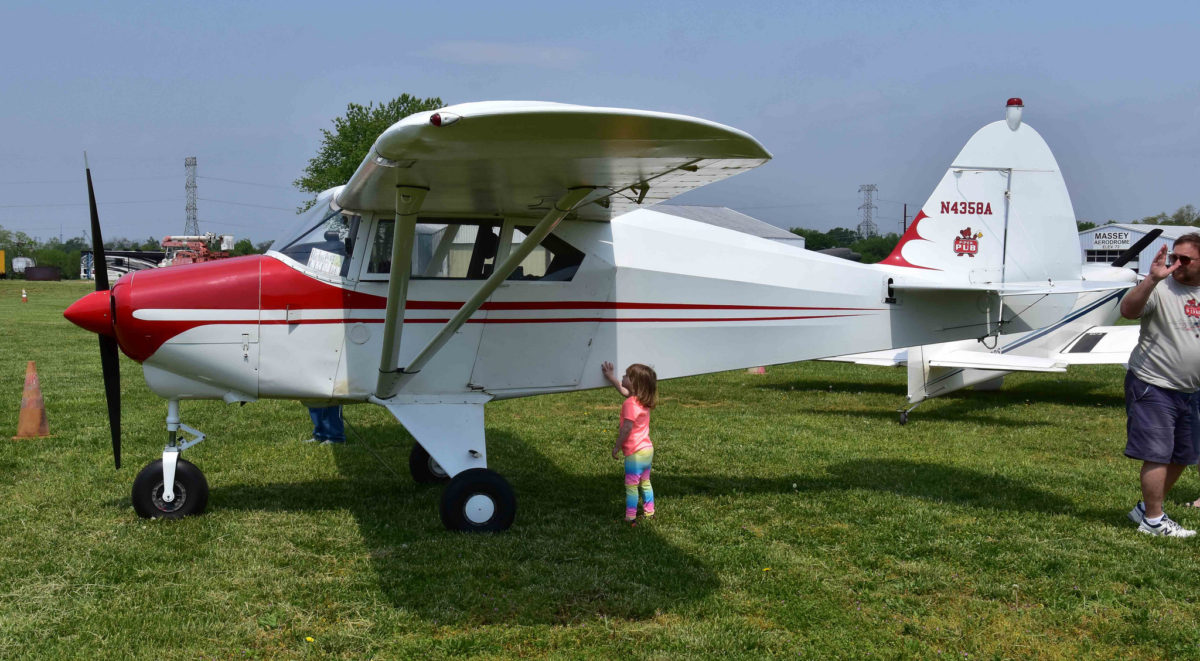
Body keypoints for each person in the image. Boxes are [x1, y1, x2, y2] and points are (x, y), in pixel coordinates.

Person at [1120, 234, 1200, 537]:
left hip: (1190, 390)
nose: (1176, 264)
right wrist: (1151, 279)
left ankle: (1146, 508)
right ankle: (1154, 521)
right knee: (1158, 453)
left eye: (1185, 259)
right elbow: (1128, 311)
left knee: (1185, 454)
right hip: (1153, 383)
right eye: (1173, 258)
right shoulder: (1160, 287)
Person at [602, 361, 658, 525]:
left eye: (626, 376)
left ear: (635, 383)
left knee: (632, 486)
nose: (623, 376)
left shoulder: (629, 404)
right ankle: (649, 512)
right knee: (645, 482)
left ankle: (630, 517)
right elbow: (623, 390)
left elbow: (626, 429)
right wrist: (611, 377)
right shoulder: (641, 400)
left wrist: (617, 446)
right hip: (647, 450)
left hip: (635, 453)